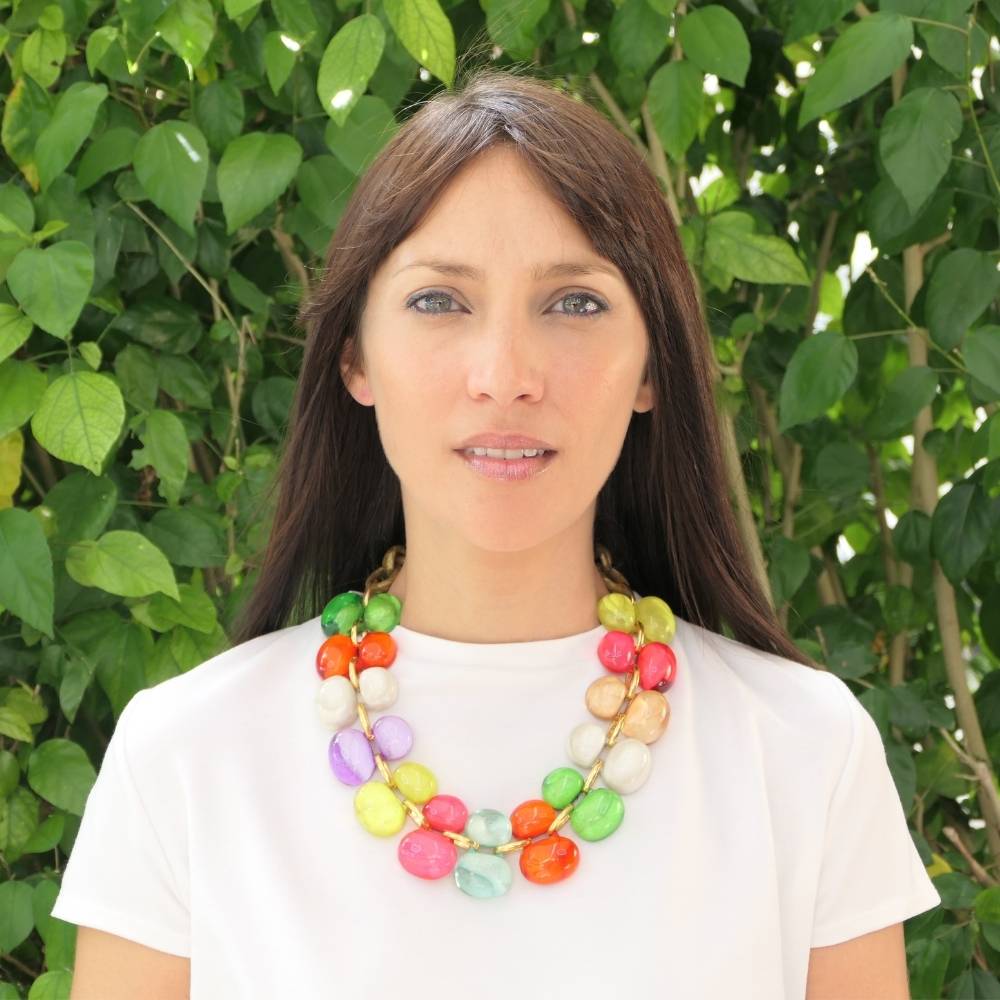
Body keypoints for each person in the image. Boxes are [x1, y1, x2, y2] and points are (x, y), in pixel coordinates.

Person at [51, 65, 940, 999]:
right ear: (355, 358)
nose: (506, 376)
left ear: (652, 365)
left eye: (575, 303)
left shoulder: (804, 750)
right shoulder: (185, 757)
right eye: (439, 300)